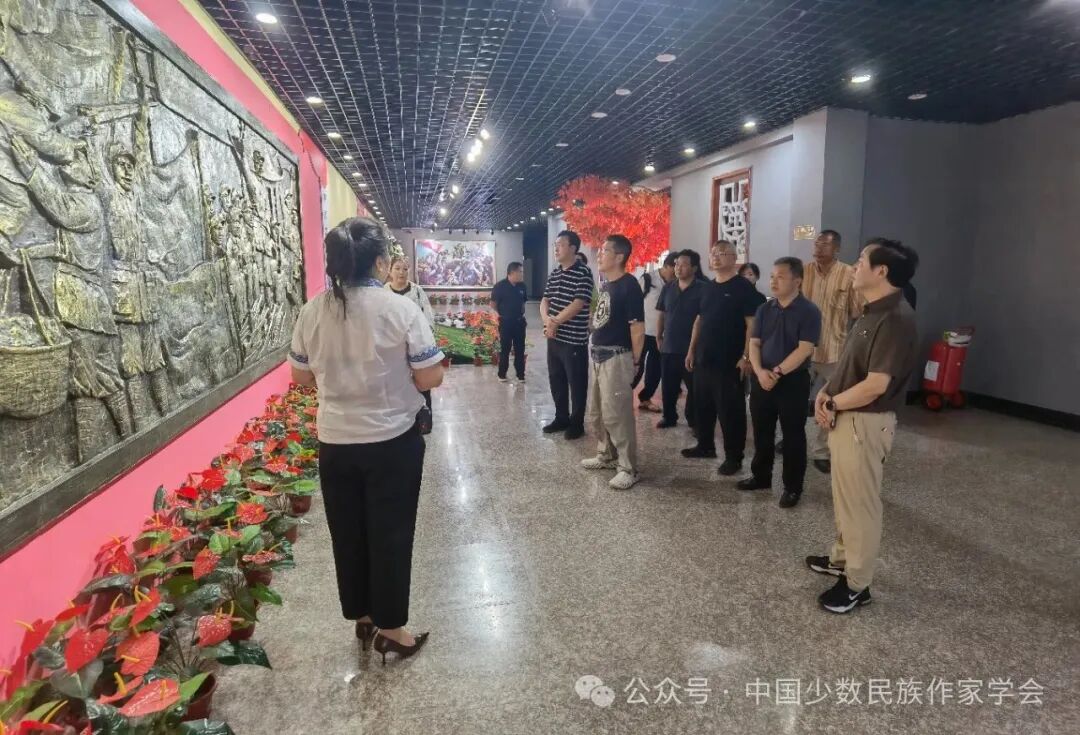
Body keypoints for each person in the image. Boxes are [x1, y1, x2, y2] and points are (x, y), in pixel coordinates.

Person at [289, 217, 444, 661]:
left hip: (335, 442)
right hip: (392, 442)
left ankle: (362, 616)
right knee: (390, 534)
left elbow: (300, 377)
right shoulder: (400, 310)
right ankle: (392, 629)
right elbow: (429, 375)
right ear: (379, 262)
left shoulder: (313, 310)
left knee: (348, 533)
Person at [807, 237, 919, 614]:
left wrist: (833, 403)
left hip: (865, 422)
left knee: (861, 505)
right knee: (845, 498)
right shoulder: (870, 311)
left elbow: (876, 385)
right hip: (848, 416)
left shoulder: (896, 318)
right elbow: (850, 367)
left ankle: (857, 584)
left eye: (860, 261)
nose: (854, 267)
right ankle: (841, 559)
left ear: (881, 271)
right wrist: (826, 394)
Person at [739, 258, 821, 508]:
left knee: (793, 435)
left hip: (792, 381)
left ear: (797, 281)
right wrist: (759, 371)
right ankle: (761, 476)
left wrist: (776, 372)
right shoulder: (765, 309)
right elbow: (754, 343)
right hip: (762, 378)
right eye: (772, 276)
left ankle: (792, 487)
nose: (774, 281)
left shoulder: (809, 311)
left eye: (781, 277)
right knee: (762, 431)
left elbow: (805, 349)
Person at [683, 240, 759, 473]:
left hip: (729, 361)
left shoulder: (743, 287)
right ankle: (705, 446)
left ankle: (734, 457)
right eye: (713, 253)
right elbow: (699, 320)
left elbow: (752, 324)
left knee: (730, 412)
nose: (716, 257)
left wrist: (746, 356)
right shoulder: (707, 287)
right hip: (704, 358)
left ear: (734, 258)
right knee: (703, 405)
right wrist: (691, 349)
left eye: (722, 253)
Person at [581, 234, 645, 490]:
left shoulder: (629, 286)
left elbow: (637, 328)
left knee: (618, 414)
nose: (599, 254)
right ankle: (606, 454)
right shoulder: (606, 284)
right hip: (598, 354)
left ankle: (628, 468)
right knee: (597, 411)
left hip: (617, 356)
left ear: (619, 257)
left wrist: (635, 362)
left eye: (604, 250)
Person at [802, 229, 862, 474]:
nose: (818, 248)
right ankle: (791, 438)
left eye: (824, 244)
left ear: (836, 249)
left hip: (835, 349)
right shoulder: (803, 272)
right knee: (794, 399)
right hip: (803, 351)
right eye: (816, 243)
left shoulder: (848, 274)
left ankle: (821, 451)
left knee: (831, 402)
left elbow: (856, 312)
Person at [541, 231, 593, 439]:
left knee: (577, 383)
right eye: (555, 245)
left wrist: (554, 322)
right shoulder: (555, 273)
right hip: (554, 339)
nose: (556, 248)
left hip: (574, 341)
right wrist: (547, 322)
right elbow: (545, 300)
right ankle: (561, 417)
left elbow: (578, 304)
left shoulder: (583, 273)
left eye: (560, 244)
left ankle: (577, 423)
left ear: (573, 248)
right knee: (557, 380)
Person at [656, 250, 705, 430]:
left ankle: (694, 420)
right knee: (668, 385)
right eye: (676, 264)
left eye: (683, 265)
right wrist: (659, 335)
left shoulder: (703, 289)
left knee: (694, 388)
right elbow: (662, 313)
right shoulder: (668, 287)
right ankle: (669, 417)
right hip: (669, 345)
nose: (678, 268)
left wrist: (693, 348)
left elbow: (703, 319)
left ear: (694, 268)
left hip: (693, 348)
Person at [386, 255, 436, 432]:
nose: (401, 272)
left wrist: (427, 342)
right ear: (389, 271)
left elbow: (428, 317)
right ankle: (399, 423)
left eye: (405, 269)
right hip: (392, 348)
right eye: (397, 268)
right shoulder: (383, 293)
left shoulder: (417, 291)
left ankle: (424, 422)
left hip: (416, 346)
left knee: (422, 384)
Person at [632, 254, 675, 411]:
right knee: (637, 367)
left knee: (655, 369)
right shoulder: (648, 279)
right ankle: (622, 396)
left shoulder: (675, 285)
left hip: (661, 334)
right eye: (674, 270)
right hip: (643, 332)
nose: (676, 274)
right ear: (666, 266)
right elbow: (633, 302)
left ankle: (645, 398)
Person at [490, 261, 528, 382]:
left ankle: (520, 375)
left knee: (520, 349)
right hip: (505, 323)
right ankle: (502, 374)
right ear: (512, 272)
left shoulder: (522, 286)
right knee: (505, 349)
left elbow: (523, 302)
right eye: (520, 272)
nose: (522, 274)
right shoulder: (499, 286)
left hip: (519, 323)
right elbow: (493, 304)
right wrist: (501, 315)